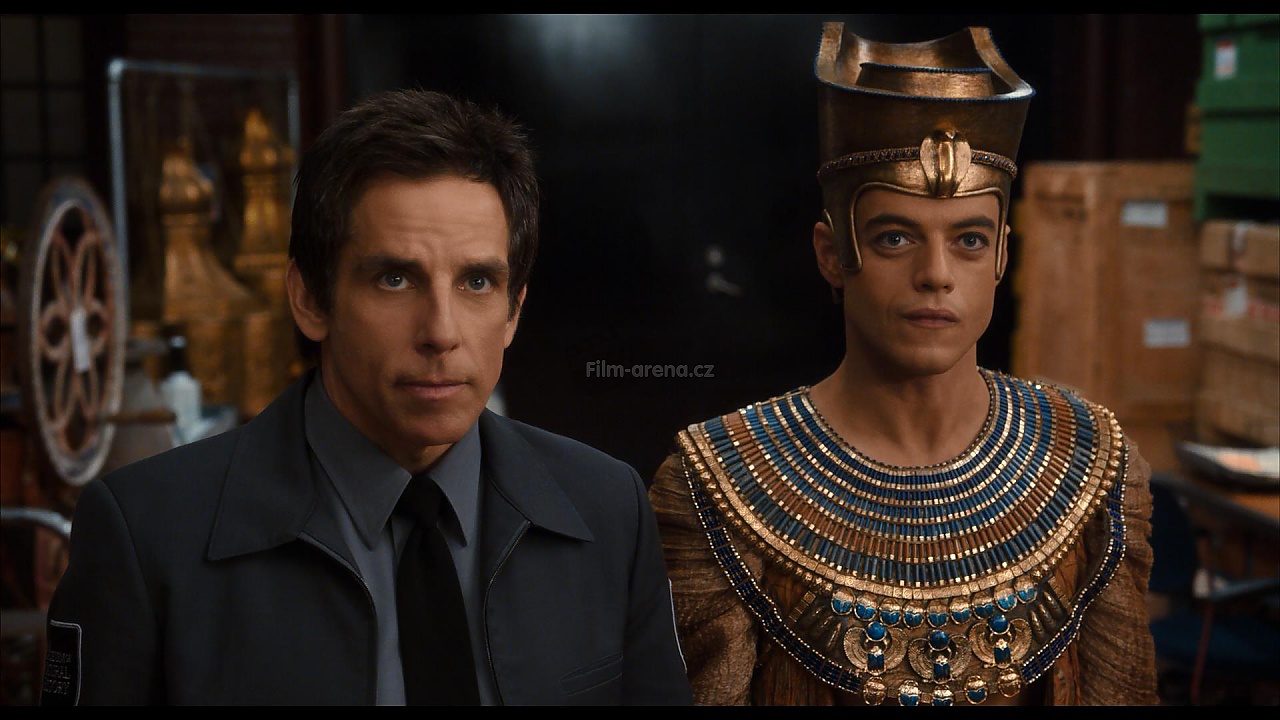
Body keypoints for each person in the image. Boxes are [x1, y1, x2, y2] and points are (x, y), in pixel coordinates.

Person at [40, 88, 693, 706]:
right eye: (394, 279)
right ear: (310, 299)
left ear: (514, 311)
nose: (441, 332)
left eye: (476, 282)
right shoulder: (147, 536)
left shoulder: (608, 510)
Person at [649, 23, 1159, 706]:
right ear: (832, 254)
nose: (936, 274)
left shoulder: (1092, 462)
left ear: (1002, 255)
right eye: (895, 238)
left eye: (969, 240)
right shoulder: (717, 483)